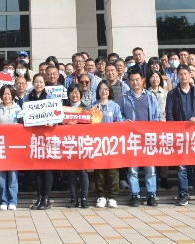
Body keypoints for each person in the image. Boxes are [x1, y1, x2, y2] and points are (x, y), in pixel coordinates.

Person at [165, 64, 195, 206]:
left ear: (190, 75)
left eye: (186, 73)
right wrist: (175, 129)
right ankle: (183, 194)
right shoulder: (172, 94)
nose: (183, 76)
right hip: (180, 136)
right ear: (177, 76)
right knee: (182, 168)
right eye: (181, 74)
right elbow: (169, 114)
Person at [120, 69, 159, 207]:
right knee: (132, 169)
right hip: (132, 138)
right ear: (128, 81)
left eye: (137, 79)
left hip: (148, 137)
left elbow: (156, 116)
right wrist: (124, 121)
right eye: (132, 80)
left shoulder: (150, 96)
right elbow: (120, 116)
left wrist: (152, 127)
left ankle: (151, 195)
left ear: (142, 80)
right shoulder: (124, 98)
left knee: (150, 169)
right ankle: (134, 195)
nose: (135, 82)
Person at [91, 80, 124, 208]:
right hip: (97, 143)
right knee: (99, 170)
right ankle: (101, 196)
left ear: (109, 91)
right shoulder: (93, 106)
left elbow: (119, 123)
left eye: (106, 89)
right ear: (98, 91)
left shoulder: (115, 106)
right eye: (101, 89)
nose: (104, 91)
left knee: (112, 171)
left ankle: (112, 196)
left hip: (112, 144)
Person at [25, 74, 55, 210]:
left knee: (47, 168)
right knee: (37, 169)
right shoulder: (27, 98)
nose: (39, 84)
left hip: (48, 137)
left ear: (44, 83)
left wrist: (52, 122)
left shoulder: (50, 98)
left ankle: (46, 198)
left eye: (41, 82)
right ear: (33, 83)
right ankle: (39, 197)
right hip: (34, 137)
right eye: (36, 82)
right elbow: (24, 115)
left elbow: (58, 115)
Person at [0, 85, 22, 211]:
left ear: (13, 95)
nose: (7, 96)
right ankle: (3, 201)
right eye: (4, 94)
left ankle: (12, 201)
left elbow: (23, 125)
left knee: (13, 176)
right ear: (1, 95)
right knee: (1, 176)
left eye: (9, 94)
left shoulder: (18, 108)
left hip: (14, 146)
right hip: (0, 146)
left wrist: (19, 126)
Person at [63, 84, 90, 208]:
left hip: (82, 144)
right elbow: (58, 126)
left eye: (76, 92)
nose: (74, 95)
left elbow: (91, 126)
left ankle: (84, 198)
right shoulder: (64, 109)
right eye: (72, 92)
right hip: (69, 144)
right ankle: (73, 198)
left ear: (81, 94)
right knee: (72, 172)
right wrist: (66, 126)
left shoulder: (86, 108)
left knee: (83, 172)